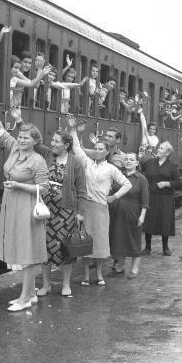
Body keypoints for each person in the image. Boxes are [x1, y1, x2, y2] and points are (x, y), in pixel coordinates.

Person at [0, 91, 49, 312]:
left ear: (36, 141)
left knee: (27, 252)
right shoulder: (15, 148)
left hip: (26, 207)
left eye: (27, 138)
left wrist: (19, 186)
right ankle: (32, 294)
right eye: (21, 137)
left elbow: (44, 187)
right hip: (12, 204)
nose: (22, 140)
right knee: (20, 248)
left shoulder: (38, 160)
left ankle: (25, 298)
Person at [66, 115, 132, 286]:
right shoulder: (87, 163)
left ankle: (100, 274)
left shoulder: (111, 168)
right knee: (86, 242)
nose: (97, 151)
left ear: (107, 151)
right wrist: (73, 130)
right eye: (95, 148)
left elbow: (127, 184)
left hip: (101, 208)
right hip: (86, 207)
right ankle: (86, 275)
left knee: (100, 242)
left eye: (100, 148)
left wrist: (114, 197)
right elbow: (77, 148)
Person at [36, 130, 87, 297]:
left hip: (66, 212)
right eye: (52, 140)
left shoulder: (76, 162)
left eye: (56, 141)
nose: (52, 144)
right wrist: (19, 121)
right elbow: (35, 143)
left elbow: (81, 189)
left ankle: (66, 285)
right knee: (45, 247)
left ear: (66, 145)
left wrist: (80, 213)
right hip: (45, 210)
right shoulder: (48, 155)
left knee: (66, 248)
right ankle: (46, 285)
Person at [109, 153, 149, 279]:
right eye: (126, 159)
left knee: (134, 241)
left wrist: (142, 216)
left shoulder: (141, 179)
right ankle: (120, 266)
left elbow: (145, 200)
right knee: (119, 240)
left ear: (137, 163)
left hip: (133, 214)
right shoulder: (119, 177)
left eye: (132, 160)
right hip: (116, 214)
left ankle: (134, 269)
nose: (128, 161)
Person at [141, 141, 181, 256]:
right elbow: (142, 174)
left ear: (167, 152)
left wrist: (167, 183)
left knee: (165, 221)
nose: (158, 150)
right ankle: (147, 247)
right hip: (150, 196)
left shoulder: (173, 166)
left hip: (165, 198)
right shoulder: (149, 163)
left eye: (161, 149)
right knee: (149, 220)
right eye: (159, 148)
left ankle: (165, 247)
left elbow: (178, 183)